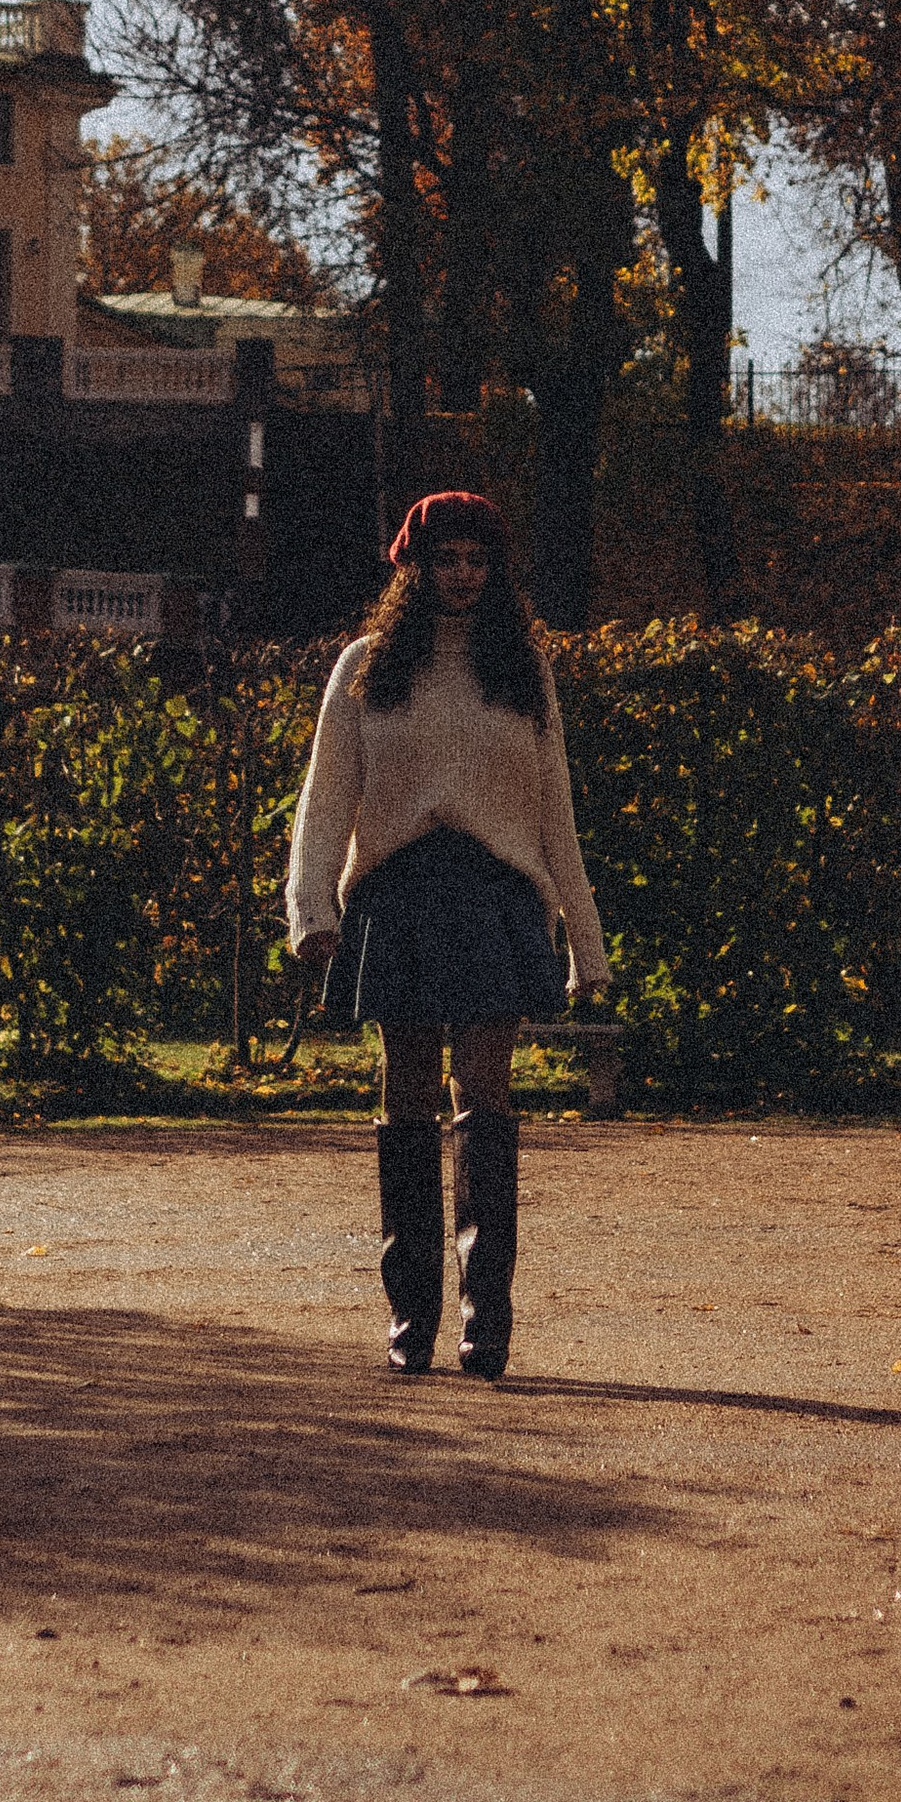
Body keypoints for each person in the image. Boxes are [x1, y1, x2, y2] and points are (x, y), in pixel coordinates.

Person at [284, 490, 607, 1379]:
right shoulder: (366, 665)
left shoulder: (522, 668)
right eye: (446, 559)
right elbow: (326, 802)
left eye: (477, 560)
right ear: (413, 568)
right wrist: (311, 910)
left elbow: (554, 807)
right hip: (399, 895)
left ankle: (484, 1319)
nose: (463, 575)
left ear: (495, 571)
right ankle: (410, 1315)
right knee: (409, 1097)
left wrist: (587, 940)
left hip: (499, 897)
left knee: (486, 1098)